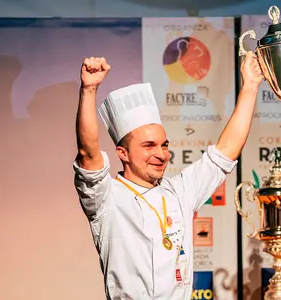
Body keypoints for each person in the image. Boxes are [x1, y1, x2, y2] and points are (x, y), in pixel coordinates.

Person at [73, 54, 262, 299]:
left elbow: (226, 150)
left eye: (164, 145)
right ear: (123, 153)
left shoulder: (180, 191)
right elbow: (87, 153)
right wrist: (88, 90)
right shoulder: (105, 197)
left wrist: (250, 86)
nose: (160, 154)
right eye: (149, 145)